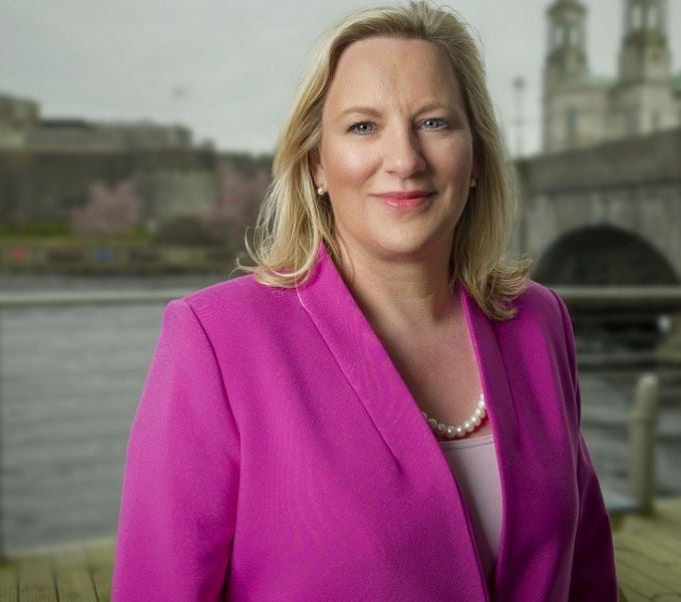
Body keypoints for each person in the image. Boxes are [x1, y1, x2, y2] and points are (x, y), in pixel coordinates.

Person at [112, 2, 617, 600]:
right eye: (362, 127)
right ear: (316, 164)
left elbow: (586, 568)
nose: (404, 160)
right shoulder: (216, 339)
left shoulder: (540, 323)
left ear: (476, 156)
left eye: (434, 122)